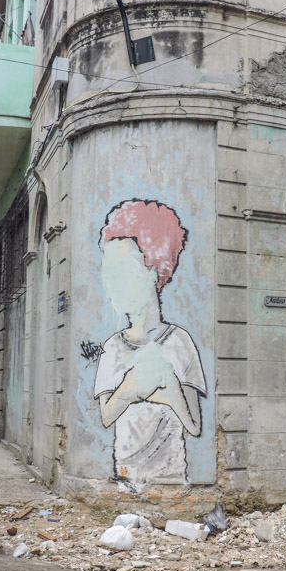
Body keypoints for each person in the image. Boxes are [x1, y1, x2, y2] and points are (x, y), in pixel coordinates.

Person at [94, 200, 206, 485]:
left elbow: (194, 426)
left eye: (126, 271)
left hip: (172, 478)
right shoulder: (113, 348)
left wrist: (171, 391)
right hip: (125, 479)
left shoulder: (179, 342)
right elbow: (107, 416)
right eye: (110, 273)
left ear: (155, 270)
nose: (115, 284)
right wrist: (131, 389)